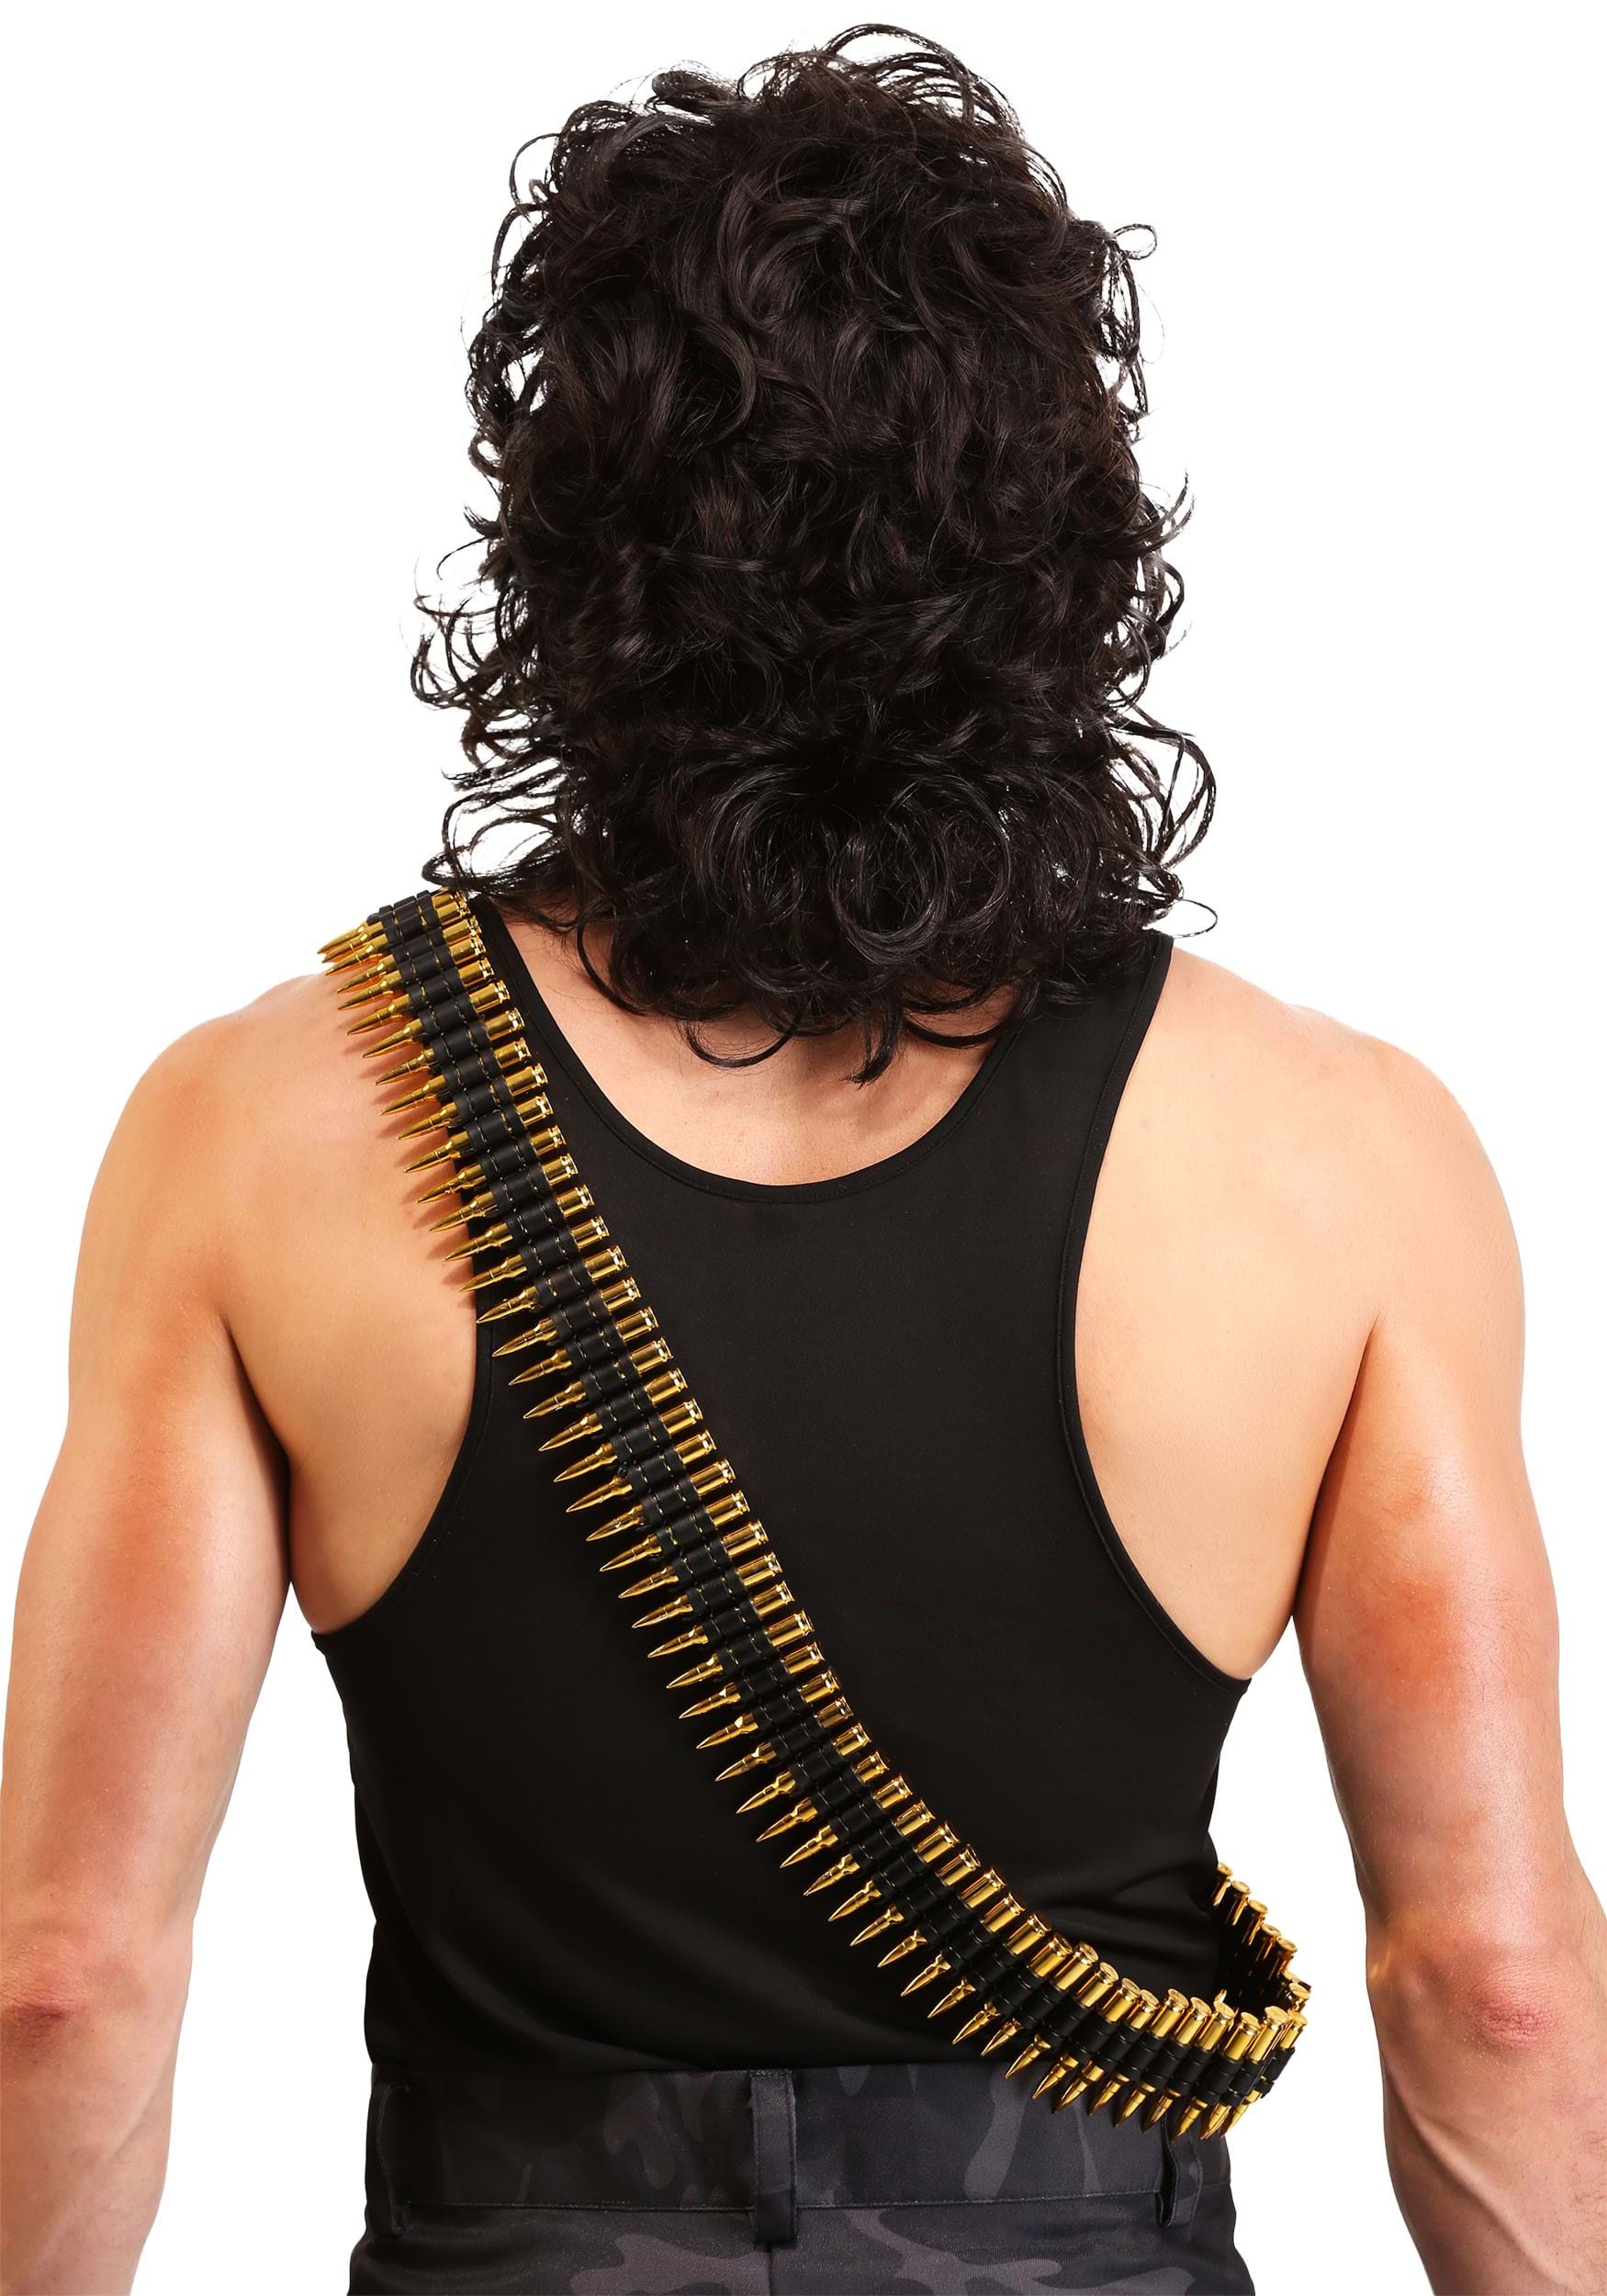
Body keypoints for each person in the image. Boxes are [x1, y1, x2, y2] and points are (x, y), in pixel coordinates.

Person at [3, 23, 1603, 2296]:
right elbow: (1493, 1981)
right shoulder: (1338, 1155)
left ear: (570, 546)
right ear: (1060, 546)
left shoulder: (259, 1124)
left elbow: (63, 1975)